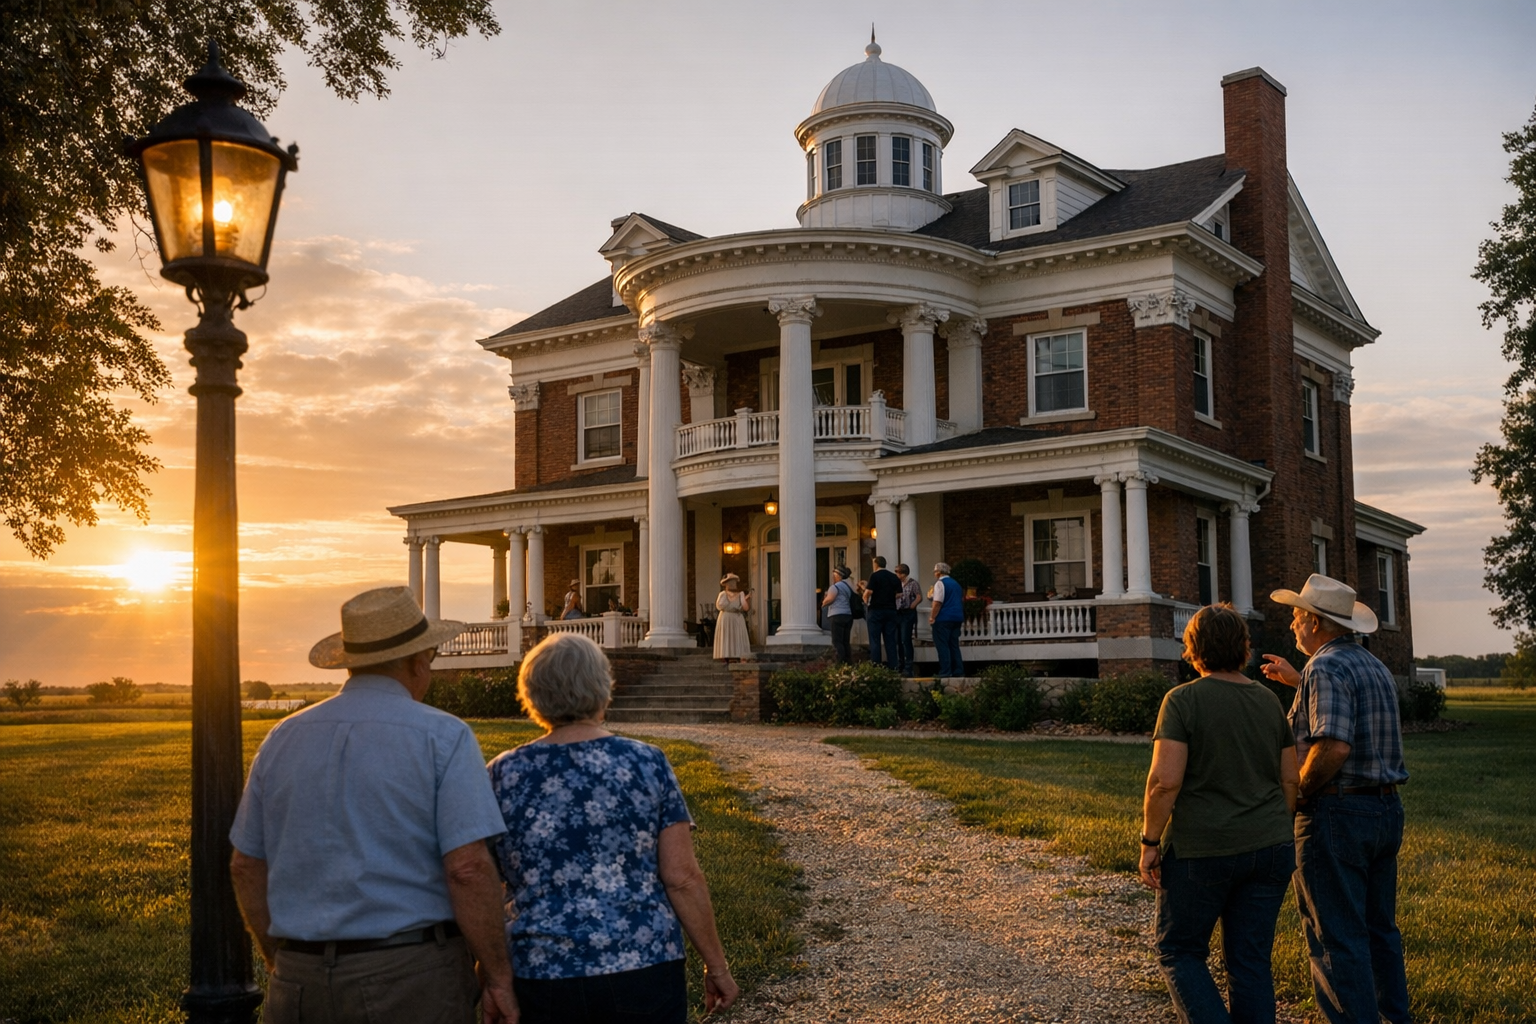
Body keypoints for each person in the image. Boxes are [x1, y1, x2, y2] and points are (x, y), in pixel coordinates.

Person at [229, 586, 516, 1024]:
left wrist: (279, 958)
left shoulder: (283, 737)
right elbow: (468, 869)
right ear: (417, 662)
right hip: (408, 977)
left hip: (297, 980)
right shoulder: (442, 736)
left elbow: (245, 866)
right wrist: (498, 976)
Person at [487, 633, 740, 1023]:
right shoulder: (646, 762)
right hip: (642, 963)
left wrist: (491, 977)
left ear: (531, 694)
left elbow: (484, 883)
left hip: (542, 970)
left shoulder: (503, 773)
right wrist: (717, 967)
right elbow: (682, 878)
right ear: (602, 687)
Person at [1260, 574, 1411, 1024]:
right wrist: (1298, 680)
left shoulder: (1325, 668)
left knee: (1335, 936)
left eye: (1295, 616)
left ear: (1314, 621)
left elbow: (1334, 745)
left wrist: (1299, 794)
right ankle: (1392, 1017)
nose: (1291, 625)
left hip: (1338, 812)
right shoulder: (1371, 665)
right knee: (1380, 930)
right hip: (1385, 810)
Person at [1140, 604, 1300, 1024]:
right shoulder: (1269, 700)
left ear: (1192, 648)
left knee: (1180, 950)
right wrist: (1275, 826)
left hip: (1202, 850)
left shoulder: (1182, 701)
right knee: (1250, 961)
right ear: (1244, 649)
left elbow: (1164, 782)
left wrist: (1150, 842)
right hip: (1270, 846)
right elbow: (1291, 781)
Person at [928, 561, 964, 679]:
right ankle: (958, 670)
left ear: (939, 572)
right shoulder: (956, 584)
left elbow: (938, 602)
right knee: (953, 645)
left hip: (943, 618)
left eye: (935, 571)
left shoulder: (939, 584)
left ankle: (945, 671)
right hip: (957, 617)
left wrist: (932, 617)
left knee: (942, 645)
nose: (934, 573)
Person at [864, 555, 901, 669]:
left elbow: (868, 592)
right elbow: (900, 594)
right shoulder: (894, 577)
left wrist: (866, 601)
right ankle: (893, 666)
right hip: (890, 610)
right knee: (890, 640)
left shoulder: (875, 576)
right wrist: (889, 598)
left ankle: (876, 666)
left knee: (875, 639)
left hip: (876, 610)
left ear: (876, 564)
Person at [713, 573, 752, 662]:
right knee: (726, 637)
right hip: (725, 618)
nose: (732, 584)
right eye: (730, 582)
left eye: (733, 582)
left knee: (737, 636)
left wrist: (746, 600)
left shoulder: (740, 594)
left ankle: (738, 655)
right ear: (726, 584)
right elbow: (719, 605)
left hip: (736, 618)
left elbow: (745, 608)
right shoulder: (722, 594)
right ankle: (725, 656)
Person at [821, 565, 856, 663]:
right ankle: (848, 662)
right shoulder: (848, 586)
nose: (833, 577)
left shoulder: (835, 586)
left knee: (837, 641)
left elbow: (830, 599)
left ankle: (840, 662)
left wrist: (823, 602)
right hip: (848, 615)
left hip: (837, 615)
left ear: (838, 575)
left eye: (834, 575)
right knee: (845, 641)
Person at [894, 563, 921, 677]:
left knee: (905, 639)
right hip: (898, 612)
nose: (896, 574)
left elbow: (919, 596)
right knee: (898, 640)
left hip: (908, 613)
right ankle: (900, 664)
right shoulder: (896, 584)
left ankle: (908, 667)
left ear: (903, 574)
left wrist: (912, 605)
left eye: (898, 572)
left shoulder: (913, 583)